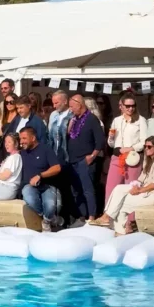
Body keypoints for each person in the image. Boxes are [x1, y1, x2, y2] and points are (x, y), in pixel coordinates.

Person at [91, 136, 154, 233]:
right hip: (143, 190)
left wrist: (139, 190)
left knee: (121, 200)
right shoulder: (148, 160)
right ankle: (120, 228)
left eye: (149, 147)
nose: (146, 149)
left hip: (152, 194)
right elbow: (141, 179)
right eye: (145, 146)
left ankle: (109, 219)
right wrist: (136, 186)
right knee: (119, 192)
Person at [66, 94, 105, 223]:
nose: (70, 109)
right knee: (76, 191)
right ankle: (82, 215)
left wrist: (92, 156)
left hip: (85, 160)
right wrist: (69, 128)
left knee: (88, 190)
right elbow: (69, 137)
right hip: (73, 160)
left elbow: (100, 141)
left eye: (72, 106)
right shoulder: (74, 119)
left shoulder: (92, 119)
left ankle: (92, 216)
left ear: (80, 104)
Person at [18, 127, 63, 230]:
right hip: (29, 186)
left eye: (24, 138)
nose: (21, 142)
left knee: (51, 206)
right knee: (28, 196)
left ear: (33, 138)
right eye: (20, 139)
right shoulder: (22, 153)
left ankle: (48, 219)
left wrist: (40, 175)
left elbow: (57, 168)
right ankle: (50, 220)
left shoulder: (45, 149)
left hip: (47, 185)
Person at [107, 92, 147, 200]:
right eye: (128, 106)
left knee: (131, 189)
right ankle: (110, 215)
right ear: (122, 106)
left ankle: (131, 217)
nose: (130, 108)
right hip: (117, 157)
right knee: (111, 188)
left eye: (133, 106)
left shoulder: (141, 120)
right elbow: (111, 144)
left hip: (132, 158)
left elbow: (144, 142)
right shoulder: (117, 120)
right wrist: (110, 137)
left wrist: (130, 148)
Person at [48, 90, 72, 163]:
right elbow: (49, 134)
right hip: (55, 152)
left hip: (68, 153)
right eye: (53, 103)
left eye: (56, 103)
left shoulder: (72, 114)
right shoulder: (53, 115)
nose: (54, 106)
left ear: (65, 101)